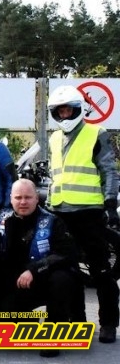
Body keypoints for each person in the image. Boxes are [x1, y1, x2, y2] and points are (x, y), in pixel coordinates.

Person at [47, 85, 120, 343]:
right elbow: (55, 175)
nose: (64, 115)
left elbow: (109, 170)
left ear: (78, 109)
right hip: (60, 212)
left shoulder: (96, 133)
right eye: (59, 111)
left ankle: (109, 323)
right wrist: (49, 205)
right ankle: (77, 319)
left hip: (89, 213)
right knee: (68, 270)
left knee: (100, 270)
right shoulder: (54, 138)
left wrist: (110, 204)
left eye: (68, 110)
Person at [0, 179, 81, 357]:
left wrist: (34, 269)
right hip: (16, 285)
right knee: (9, 332)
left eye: (28, 197)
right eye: (18, 197)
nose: (23, 202)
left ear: (37, 198)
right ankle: (28, 321)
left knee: (62, 279)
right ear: (11, 198)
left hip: (45, 279)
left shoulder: (53, 221)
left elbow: (66, 254)